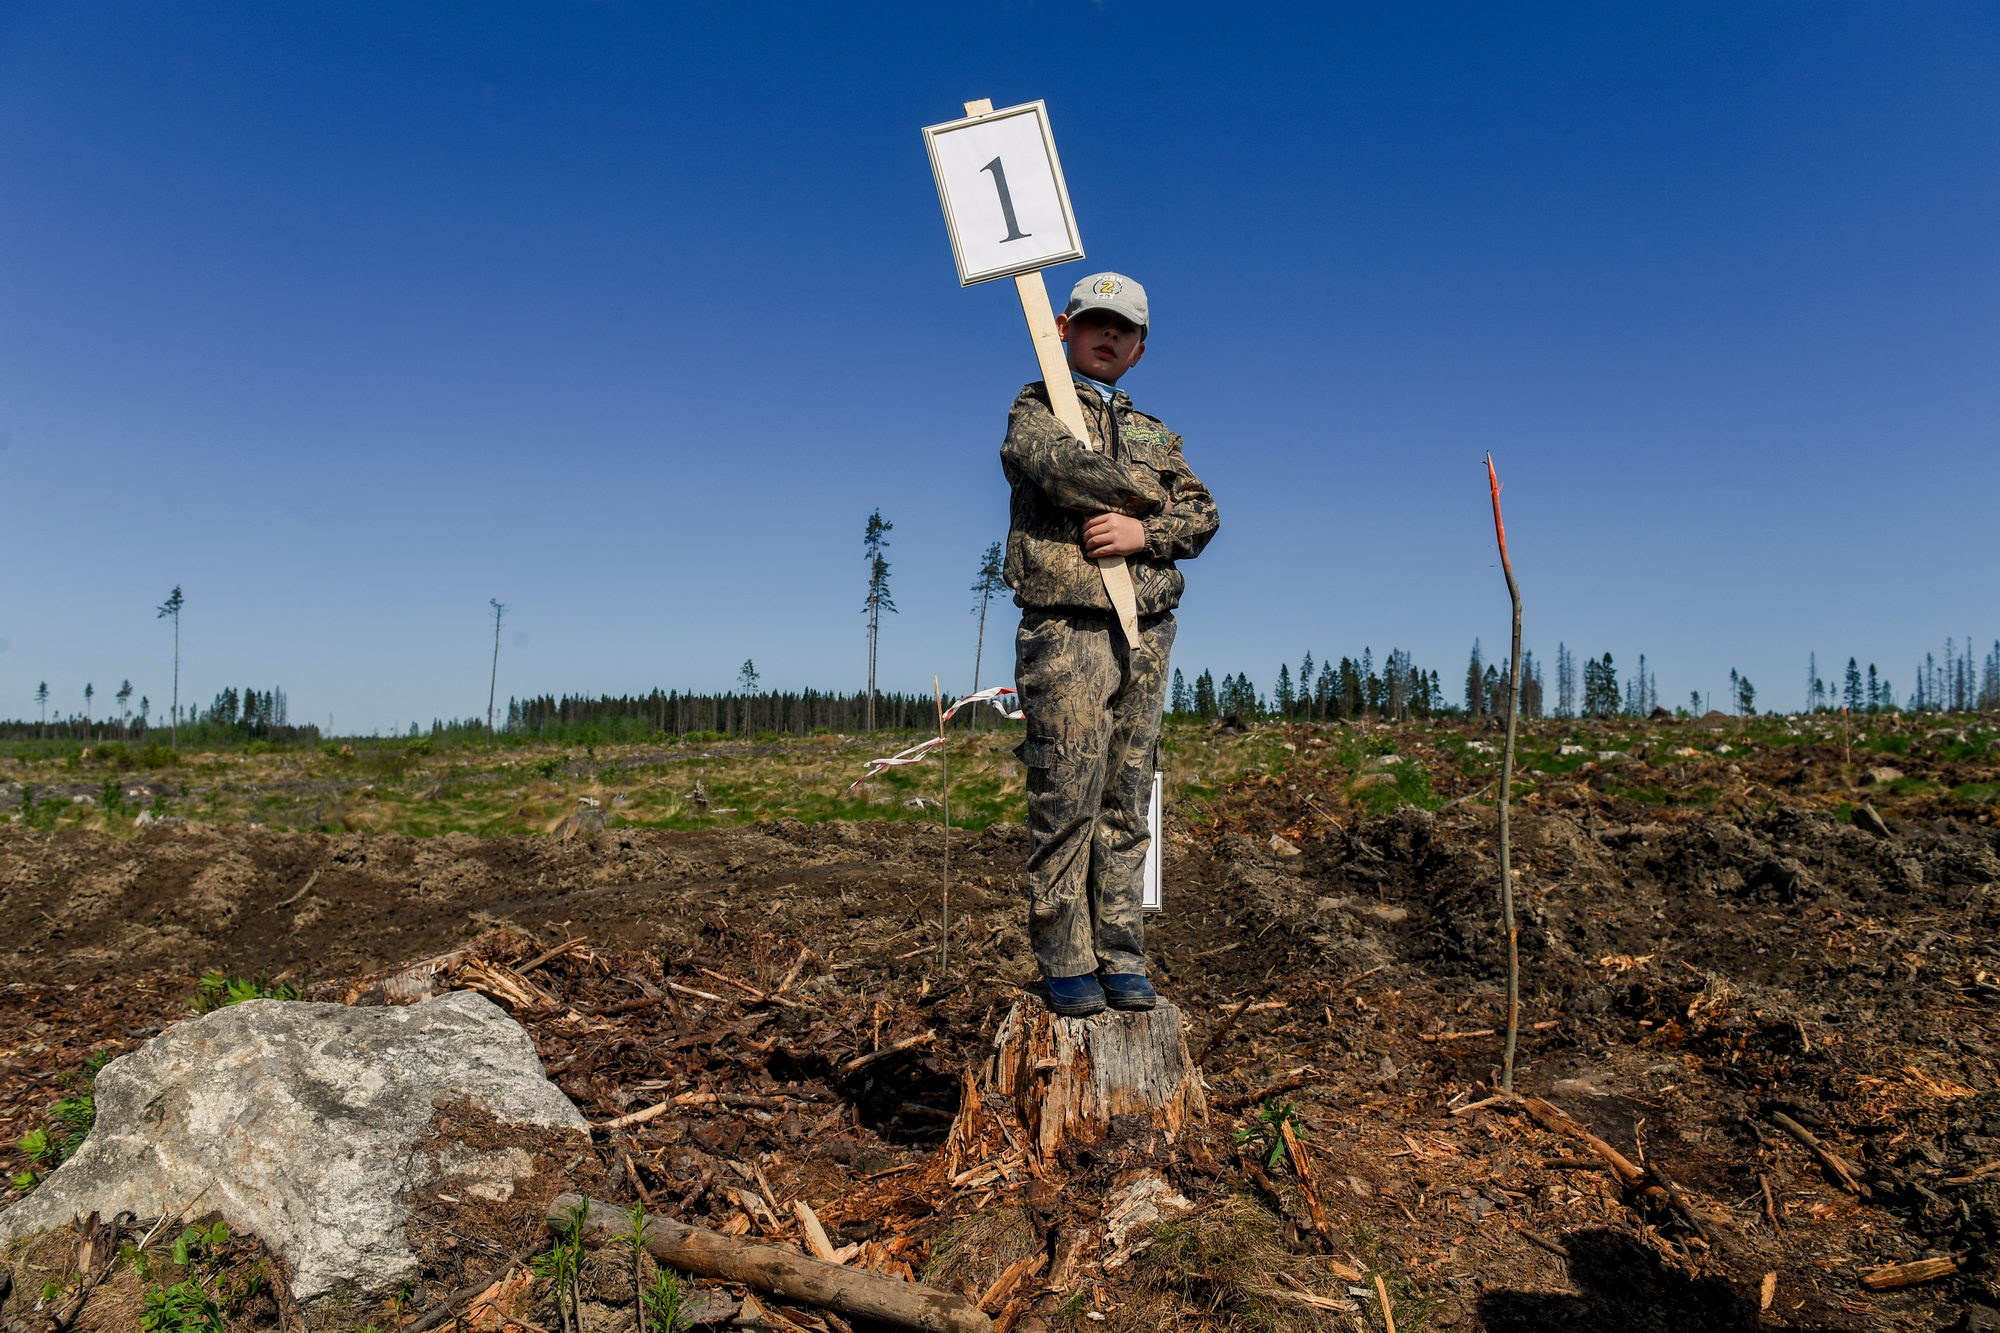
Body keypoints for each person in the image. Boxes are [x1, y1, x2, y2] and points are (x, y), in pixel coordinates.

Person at [999, 272, 1219, 1016]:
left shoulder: (1158, 433)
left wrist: (1142, 533)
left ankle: (1121, 952)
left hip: (1146, 632)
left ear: (1139, 348)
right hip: (1069, 624)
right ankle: (1066, 957)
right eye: (1094, 321)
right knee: (1068, 792)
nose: (1107, 335)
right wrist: (1146, 496)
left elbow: (1204, 515)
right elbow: (1059, 468)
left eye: (1121, 329)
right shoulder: (1039, 408)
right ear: (1064, 327)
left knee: (1129, 800)